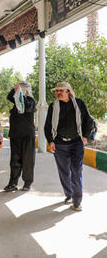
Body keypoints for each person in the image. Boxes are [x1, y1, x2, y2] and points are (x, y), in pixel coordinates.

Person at [44, 82, 93, 211]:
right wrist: (50, 141)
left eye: (61, 90)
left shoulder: (79, 104)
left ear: (68, 92)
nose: (58, 93)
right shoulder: (53, 106)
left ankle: (77, 201)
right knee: (64, 171)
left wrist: (85, 136)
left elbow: (88, 120)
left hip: (76, 143)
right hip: (59, 144)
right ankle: (69, 195)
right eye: (56, 91)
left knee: (76, 171)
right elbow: (48, 125)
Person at [3, 81, 37, 192]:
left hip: (27, 135)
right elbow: (9, 96)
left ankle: (27, 183)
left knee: (28, 160)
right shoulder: (17, 101)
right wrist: (15, 90)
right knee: (14, 160)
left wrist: (20, 94)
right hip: (16, 135)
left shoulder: (30, 101)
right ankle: (13, 183)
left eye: (21, 89)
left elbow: (26, 106)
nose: (18, 92)